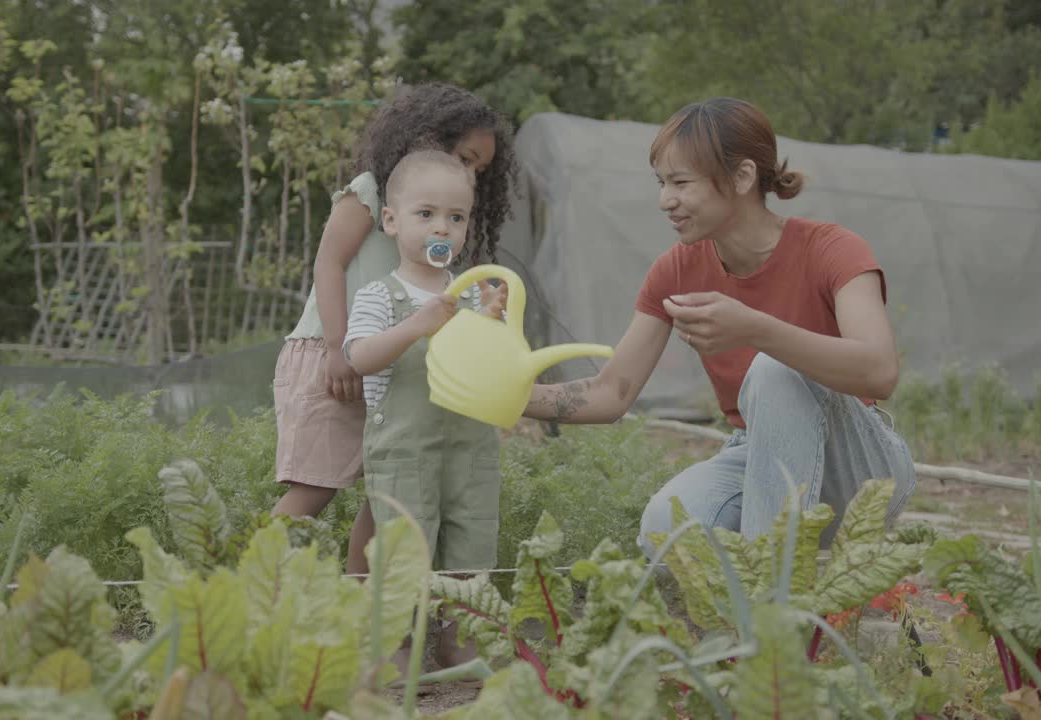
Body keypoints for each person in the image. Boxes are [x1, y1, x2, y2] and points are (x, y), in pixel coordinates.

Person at [522, 97, 916, 554]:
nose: (665, 200)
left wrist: (756, 329)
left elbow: (880, 370)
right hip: (759, 453)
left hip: (860, 465)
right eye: (661, 183)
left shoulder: (833, 249)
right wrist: (505, 397)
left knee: (773, 369)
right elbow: (611, 393)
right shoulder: (676, 270)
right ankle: (758, 602)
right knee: (668, 531)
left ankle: (771, 605)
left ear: (743, 176)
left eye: (681, 183)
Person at [270, 82, 516, 576]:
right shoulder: (372, 190)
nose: (468, 174)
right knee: (316, 486)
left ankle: (366, 599)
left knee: (386, 492)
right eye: (464, 157)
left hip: (394, 366)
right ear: (425, 135)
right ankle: (241, 585)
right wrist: (338, 349)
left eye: (478, 171)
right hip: (333, 349)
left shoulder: (440, 224)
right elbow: (329, 263)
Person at [343, 149, 507, 669]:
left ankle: (460, 640)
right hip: (405, 451)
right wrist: (418, 323)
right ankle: (396, 645)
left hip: (471, 449)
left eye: (456, 218)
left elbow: (497, 366)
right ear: (390, 221)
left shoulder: (473, 296)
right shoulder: (378, 295)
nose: (443, 227)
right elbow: (360, 358)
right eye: (426, 214)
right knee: (404, 550)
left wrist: (494, 322)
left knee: (471, 542)